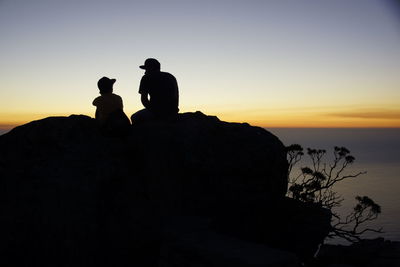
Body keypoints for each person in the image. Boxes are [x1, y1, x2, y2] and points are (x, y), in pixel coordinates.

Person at [131, 58, 179, 124]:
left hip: (157, 111)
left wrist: (155, 111)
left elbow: (144, 100)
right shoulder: (171, 76)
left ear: (150, 68)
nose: (145, 72)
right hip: (173, 110)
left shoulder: (146, 77)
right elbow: (176, 96)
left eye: (146, 69)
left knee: (134, 117)